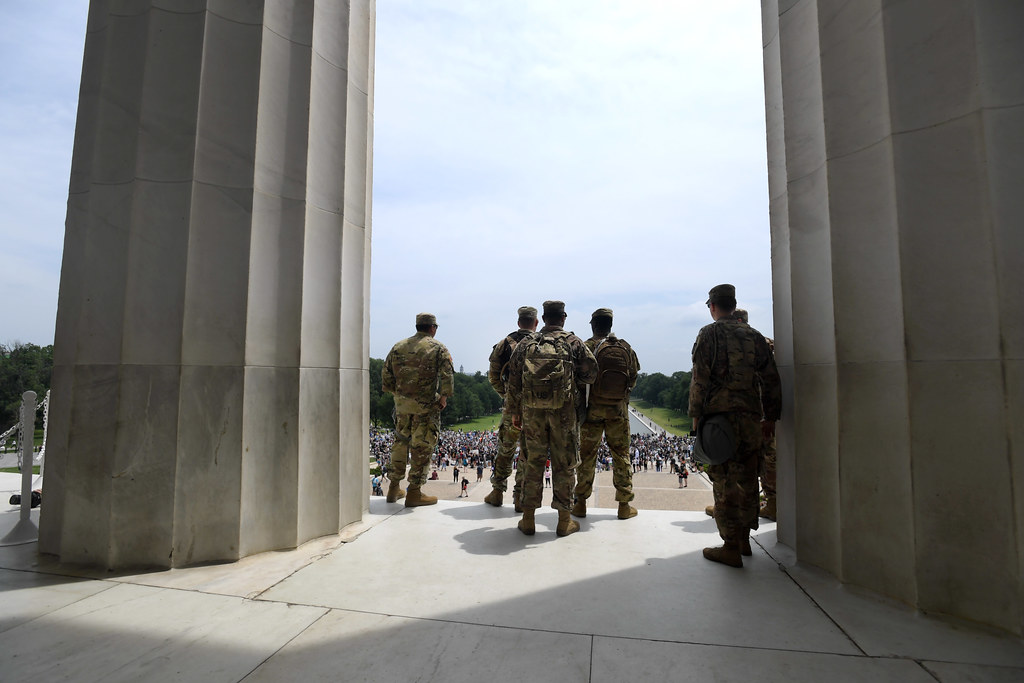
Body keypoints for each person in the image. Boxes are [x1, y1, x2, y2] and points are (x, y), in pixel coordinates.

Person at [689, 285, 781, 568]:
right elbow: (771, 380)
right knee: (748, 477)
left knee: (724, 481)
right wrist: (770, 418)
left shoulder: (709, 334)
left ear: (713, 307)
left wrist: (695, 418)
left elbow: (700, 379)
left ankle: (729, 545)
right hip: (752, 418)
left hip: (721, 419)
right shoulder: (754, 336)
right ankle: (743, 539)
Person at [506, 300, 598, 536]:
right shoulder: (573, 342)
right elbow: (591, 374)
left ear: (543, 319)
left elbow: (513, 379)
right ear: (563, 318)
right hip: (564, 414)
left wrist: (515, 411)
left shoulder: (527, 342)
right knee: (564, 464)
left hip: (532, 413)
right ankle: (564, 520)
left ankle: (528, 519)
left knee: (532, 463)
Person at [571, 308, 641, 520]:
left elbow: (575, 379)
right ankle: (624, 505)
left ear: (593, 325)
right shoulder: (625, 348)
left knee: (586, 457)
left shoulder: (585, 347)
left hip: (591, 410)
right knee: (621, 456)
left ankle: (581, 503)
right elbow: (633, 378)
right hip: (617, 411)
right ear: (611, 325)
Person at [382, 312, 455, 508]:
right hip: (425, 408)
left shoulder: (398, 346)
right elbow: (447, 376)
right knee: (421, 447)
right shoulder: (438, 347)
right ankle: (414, 492)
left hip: (402, 407)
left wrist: (400, 397)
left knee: (400, 443)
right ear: (433, 328)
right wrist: (443, 397)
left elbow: (386, 379)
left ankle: (393, 487)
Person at [483, 306, 539, 510]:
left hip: (511, 407)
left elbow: (494, 376)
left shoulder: (504, 344)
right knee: (527, 452)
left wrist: (507, 395)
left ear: (518, 322)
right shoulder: (541, 343)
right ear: (536, 323)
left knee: (505, 450)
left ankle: (497, 491)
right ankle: (520, 495)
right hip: (534, 408)